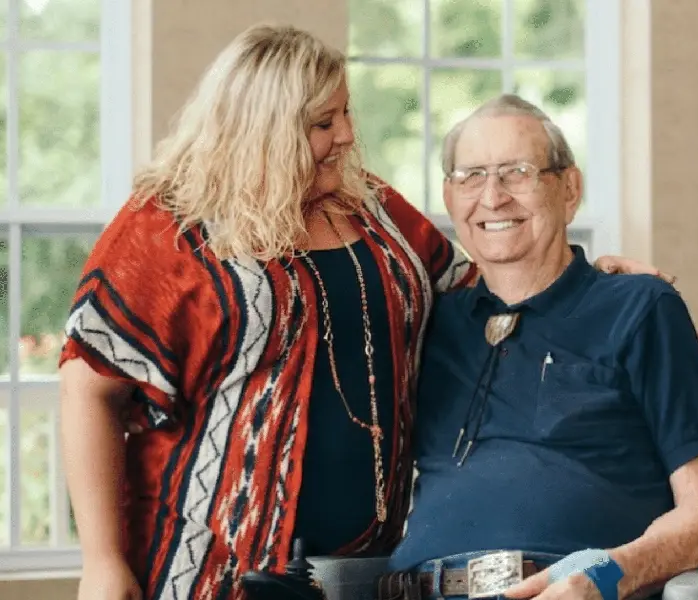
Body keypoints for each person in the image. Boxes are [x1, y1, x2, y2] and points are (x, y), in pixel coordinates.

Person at [58, 23, 663, 600]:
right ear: (263, 129)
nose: (347, 134)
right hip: (207, 565)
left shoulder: (373, 210)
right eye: (324, 122)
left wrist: (586, 278)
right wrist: (102, 561)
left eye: (346, 111)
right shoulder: (171, 226)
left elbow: (481, 282)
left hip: (359, 570)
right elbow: (90, 389)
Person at [383, 95, 698, 600]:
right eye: (471, 176)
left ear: (569, 190)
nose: (493, 197)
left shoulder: (640, 308)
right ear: (449, 195)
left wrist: (604, 575)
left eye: (517, 172)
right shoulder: (427, 321)